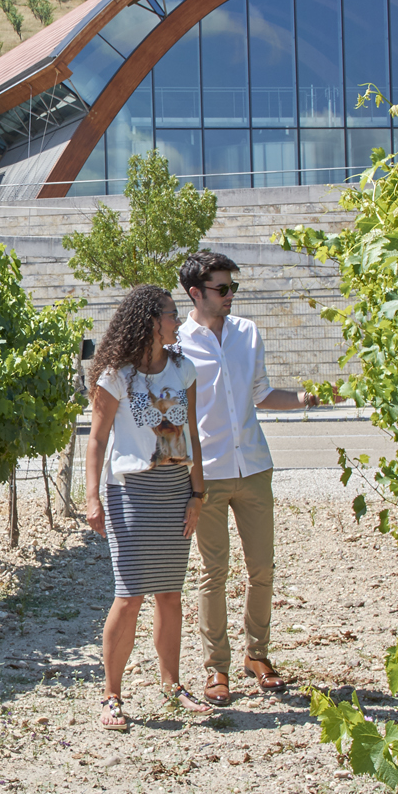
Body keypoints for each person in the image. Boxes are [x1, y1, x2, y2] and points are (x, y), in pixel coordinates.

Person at [176, 251, 335, 706]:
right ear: (196, 293)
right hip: (207, 475)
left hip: (255, 468)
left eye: (233, 289)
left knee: (262, 568)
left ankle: (257, 656)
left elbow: (262, 394)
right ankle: (216, 670)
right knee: (213, 573)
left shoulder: (248, 333)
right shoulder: (179, 343)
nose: (230, 296)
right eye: (222, 289)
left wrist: (307, 398)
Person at [83, 285, 207, 730]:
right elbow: (95, 440)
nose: (179, 321)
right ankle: (111, 696)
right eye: (173, 314)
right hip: (130, 492)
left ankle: (173, 686)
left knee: (170, 594)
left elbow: (191, 433)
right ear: (151, 321)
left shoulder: (183, 369)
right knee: (130, 594)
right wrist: (92, 496)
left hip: (175, 489)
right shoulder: (116, 375)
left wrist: (198, 494)